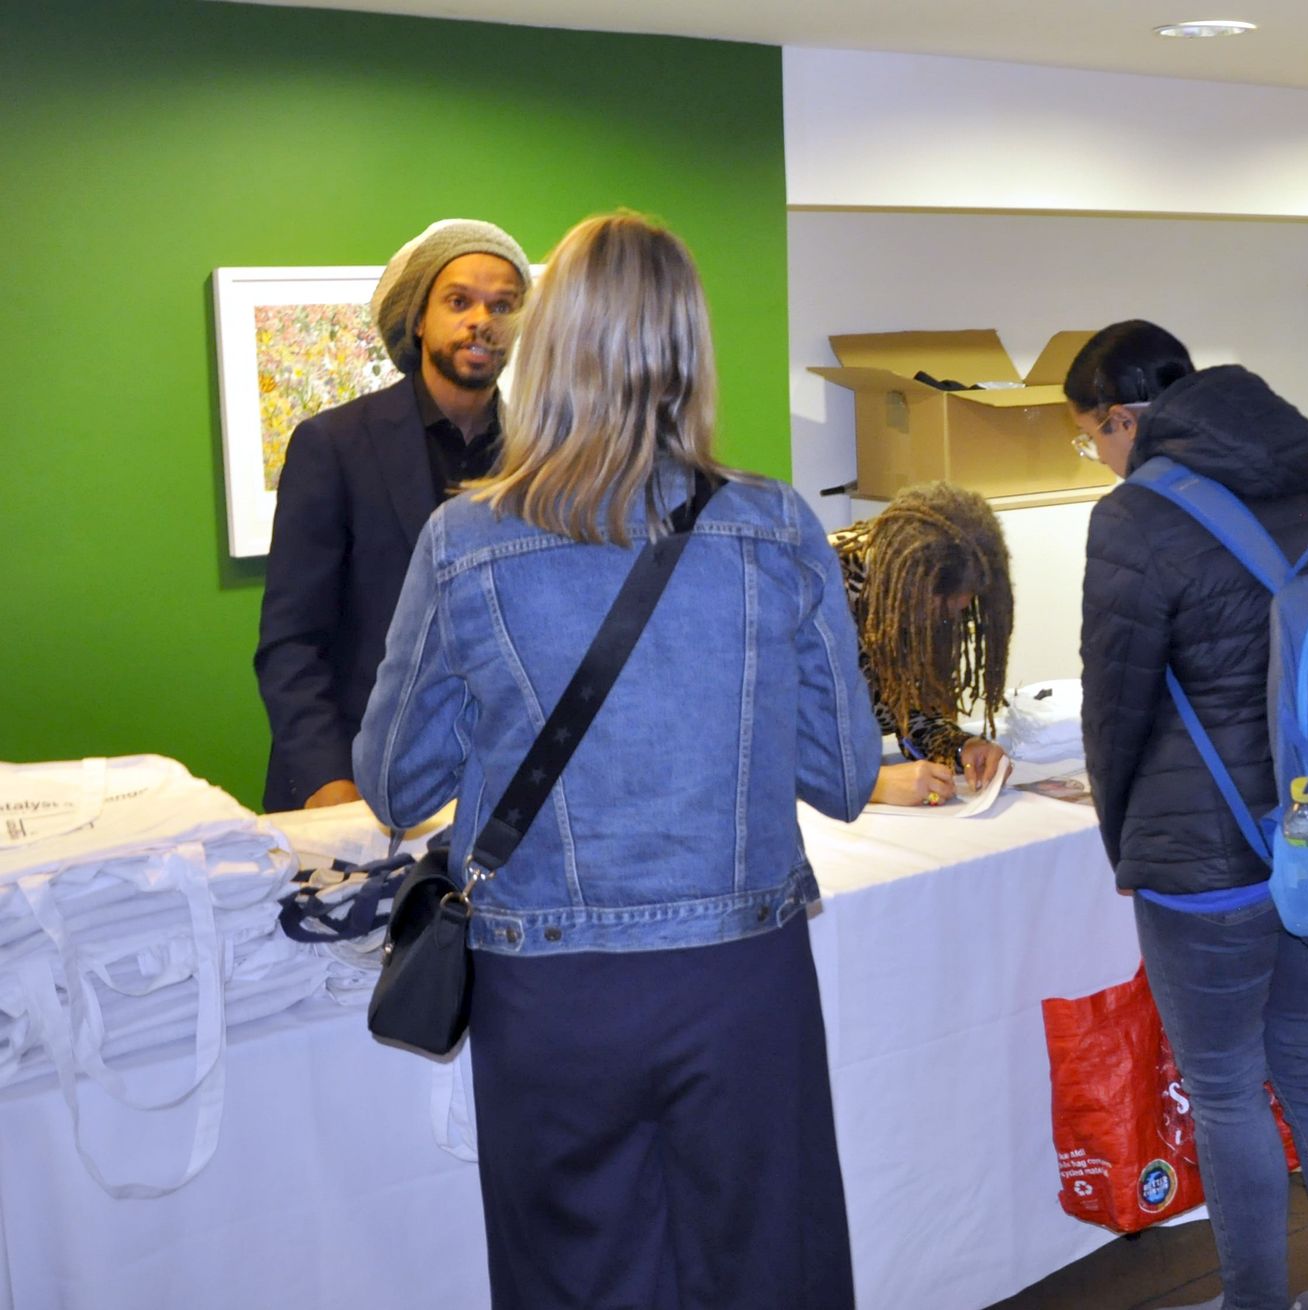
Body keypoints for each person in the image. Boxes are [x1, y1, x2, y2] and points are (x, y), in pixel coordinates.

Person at [352, 212, 878, 1309]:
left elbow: (395, 780)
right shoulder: (777, 528)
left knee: (574, 1276)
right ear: (690, 349)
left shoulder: (465, 541)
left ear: (544, 346)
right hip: (740, 975)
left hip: (549, 991)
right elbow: (845, 773)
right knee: (770, 1267)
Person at [1072, 320, 1308, 1310]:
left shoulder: (1133, 516)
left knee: (1224, 1089)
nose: (1099, 454)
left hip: (1202, 859)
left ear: (1127, 415)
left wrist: (1125, 833)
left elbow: (1114, 706)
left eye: (1090, 433)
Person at [255, 218, 530, 812]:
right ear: (418, 318)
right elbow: (291, 643)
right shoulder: (333, 444)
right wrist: (329, 786)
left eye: (503, 305)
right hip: (351, 786)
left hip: (497, 794)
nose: (481, 320)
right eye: (459, 301)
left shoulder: (543, 458)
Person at [829, 482, 1013, 807]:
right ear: (909, 582)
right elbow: (756, 746)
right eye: (943, 607)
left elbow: (916, 719)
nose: (949, 619)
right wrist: (873, 784)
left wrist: (960, 748)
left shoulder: (926, 595)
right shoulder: (810, 588)